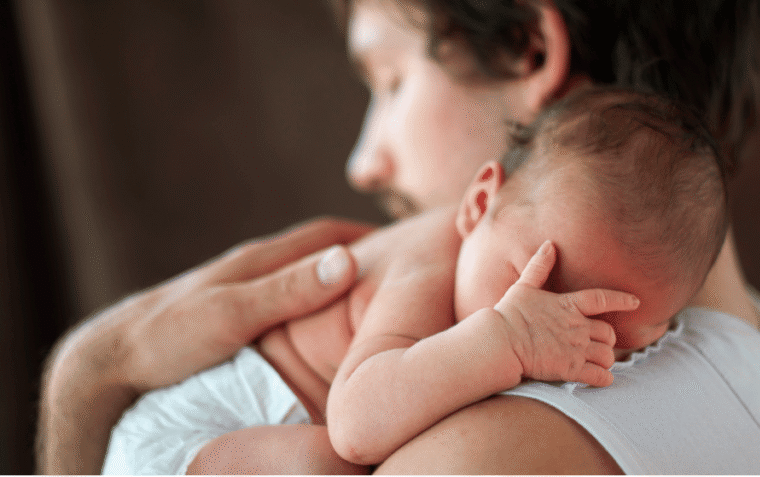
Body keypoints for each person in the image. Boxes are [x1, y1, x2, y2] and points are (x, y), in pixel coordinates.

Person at [37, 0, 760, 474]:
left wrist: (89, 379)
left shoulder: (481, 458)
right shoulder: (745, 356)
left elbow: (357, 437)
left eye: (391, 80)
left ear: (529, 47)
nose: (365, 163)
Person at [103, 88, 725, 474]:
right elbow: (355, 425)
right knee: (327, 465)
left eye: (606, 335)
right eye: (533, 283)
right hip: (193, 437)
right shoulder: (430, 261)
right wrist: (504, 338)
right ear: (480, 204)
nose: (553, 329)